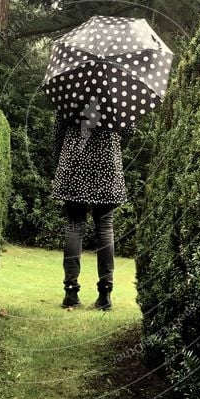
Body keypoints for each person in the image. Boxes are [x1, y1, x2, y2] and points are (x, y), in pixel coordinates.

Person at [50, 110, 135, 311]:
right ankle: (105, 295)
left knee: (74, 227)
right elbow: (129, 130)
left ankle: (70, 292)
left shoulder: (71, 91)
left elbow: (57, 135)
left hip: (74, 165)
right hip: (106, 166)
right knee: (105, 228)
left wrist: (59, 164)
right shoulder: (115, 96)